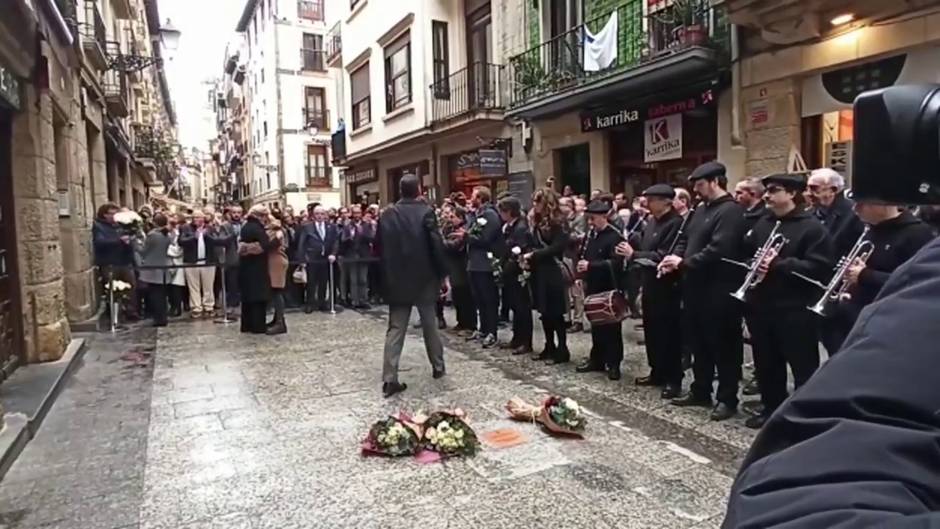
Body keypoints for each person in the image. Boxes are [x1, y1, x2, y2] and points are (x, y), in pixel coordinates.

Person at [740, 173, 834, 429]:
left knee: (802, 363)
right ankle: (772, 408)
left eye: (774, 190)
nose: (767, 195)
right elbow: (746, 253)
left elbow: (820, 267)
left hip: (795, 308)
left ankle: (806, 412)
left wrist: (780, 264)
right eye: (766, 190)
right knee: (767, 362)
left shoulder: (812, 228)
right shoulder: (763, 223)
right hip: (762, 304)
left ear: (792, 194)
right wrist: (753, 264)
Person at [658, 161, 746, 421]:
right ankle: (701, 389)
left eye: (699, 185)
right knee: (698, 342)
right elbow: (685, 238)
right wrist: (674, 257)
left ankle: (727, 398)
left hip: (720, 289)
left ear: (715, 182)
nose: (696, 191)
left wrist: (684, 262)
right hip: (694, 287)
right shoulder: (700, 210)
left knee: (724, 346)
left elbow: (721, 248)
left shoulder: (731, 211)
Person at [822, 198, 935, 353]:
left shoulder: (917, 233)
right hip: (857, 314)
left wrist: (866, 275)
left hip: (891, 320)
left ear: (883, 204)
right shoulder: (870, 230)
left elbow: (919, 282)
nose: (855, 209)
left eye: (862, 204)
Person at [376, 174, 448, 398]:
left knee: (396, 328)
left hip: (396, 279)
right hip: (424, 277)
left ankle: (389, 377)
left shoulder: (387, 214)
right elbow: (436, 244)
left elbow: (378, 247)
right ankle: (438, 366)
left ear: (399, 190)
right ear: (418, 189)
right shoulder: (426, 212)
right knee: (430, 324)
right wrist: (443, 274)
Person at [617, 184, 686, 398]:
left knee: (670, 335)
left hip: (668, 287)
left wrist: (633, 254)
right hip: (649, 284)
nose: (647, 203)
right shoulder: (651, 222)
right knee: (652, 332)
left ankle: (673, 379)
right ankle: (657, 371)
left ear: (666, 201)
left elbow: (662, 255)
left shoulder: (676, 224)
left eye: (652, 199)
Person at [575, 199, 625, 380]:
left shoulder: (615, 236)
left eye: (593, 218)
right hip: (593, 285)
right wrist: (581, 276)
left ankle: (614, 363)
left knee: (612, 326)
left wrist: (591, 266)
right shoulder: (591, 235)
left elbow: (616, 263)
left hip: (608, 286)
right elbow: (583, 257)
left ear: (604, 217)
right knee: (596, 324)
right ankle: (597, 358)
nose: (590, 222)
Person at [524, 188, 572, 363]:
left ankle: (562, 349)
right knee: (544, 311)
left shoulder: (558, 222)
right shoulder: (536, 221)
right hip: (539, 270)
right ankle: (549, 345)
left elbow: (558, 247)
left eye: (537, 202)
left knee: (555, 312)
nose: (534, 205)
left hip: (553, 269)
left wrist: (535, 254)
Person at [463, 186, 503, 348]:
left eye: (473, 196)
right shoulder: (476, 215)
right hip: (474, 263)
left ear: (481, 198)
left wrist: (467, 236)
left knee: (489, 299)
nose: (470, 199)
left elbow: (485, 239)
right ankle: (483, 328)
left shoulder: (490, 215)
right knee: (479, 298)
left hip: (486, 263)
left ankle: (492, 331)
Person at [497, 196, 534, 355]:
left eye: (502, 211)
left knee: (522, 309)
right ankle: (516, 338)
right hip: (510, 273)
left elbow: (518, 250)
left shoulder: (520, 228)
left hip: (518, 273)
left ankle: (525, 341)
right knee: (515, 307)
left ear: (509, 212)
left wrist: (506, 268)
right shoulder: (510, 226)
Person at [93, 202, 139, 321]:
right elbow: (99, 243)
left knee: (131, 286)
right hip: (110, 263)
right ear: (105, 215)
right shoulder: (99, 226)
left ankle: (131, 311)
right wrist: (119, 241)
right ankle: (115, 314)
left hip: (125, 261)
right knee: (112, 289)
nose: (115, 216)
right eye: (112, 214)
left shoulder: (121, 225)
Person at [238, 205, 274, 334]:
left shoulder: (246, 226)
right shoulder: (256, 228)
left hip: (246, 266)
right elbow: (265, 245)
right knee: (258, 297)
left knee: (248, 297)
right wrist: (276, 239)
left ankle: (246, 325)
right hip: (257, 266)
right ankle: (258, 326)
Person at [297, 206, 339, 313]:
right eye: (317, 214)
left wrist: (333, 254)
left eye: (321, 214)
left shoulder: (331, 227)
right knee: (311, 282)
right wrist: (302, 259)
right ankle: (310, 303)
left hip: (325, 259)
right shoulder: (307, 227)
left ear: (325, 215)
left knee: (323, 282)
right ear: (313, 215)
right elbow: (302, 244)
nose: (319, 216)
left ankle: (322, 302)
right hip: (312, 259)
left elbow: (335, 241)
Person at [178, 210, 218, 318]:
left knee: (208, 286)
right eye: (194, 217)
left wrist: (207, 235)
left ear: (204, 218)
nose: (196, 219)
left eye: (199, 217)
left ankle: (209, 306)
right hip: (191, 261)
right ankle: (196, 308)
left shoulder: (210, 228)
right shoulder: (186, 228)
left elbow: (217, 240)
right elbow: (181, 241)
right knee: (193, 286)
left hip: (208, 261)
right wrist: (194, 237)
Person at [137, 213, 172, 327]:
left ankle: (158, 319)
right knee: (161, 295)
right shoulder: (167, 235)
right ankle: (163, 317)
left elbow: (143, 251)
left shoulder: (153, 235)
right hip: (163, 267)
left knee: (155, 295)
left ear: (155, 222)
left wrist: (134, 243)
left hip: (152, 268)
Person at [340, 204, 375, 309]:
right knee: (353, 279)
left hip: (363, 255)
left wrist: (362, 232)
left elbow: (371, 238)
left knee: (363, 279)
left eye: (358, 213)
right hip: (351, 254)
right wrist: (349, 237)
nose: (357, 215)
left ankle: (363, 299)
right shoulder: (348, 225)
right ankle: (355, 300)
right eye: (355, 213)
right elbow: (343, 240)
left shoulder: (366, 225)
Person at [265, 214, 289, 335]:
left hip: (276, 261)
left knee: (277, 291)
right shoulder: (272, 230)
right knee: (275, 291)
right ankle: (277, 319)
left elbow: (270, 245)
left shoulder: (276, 231)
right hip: (273, 261)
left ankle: (280, 322)